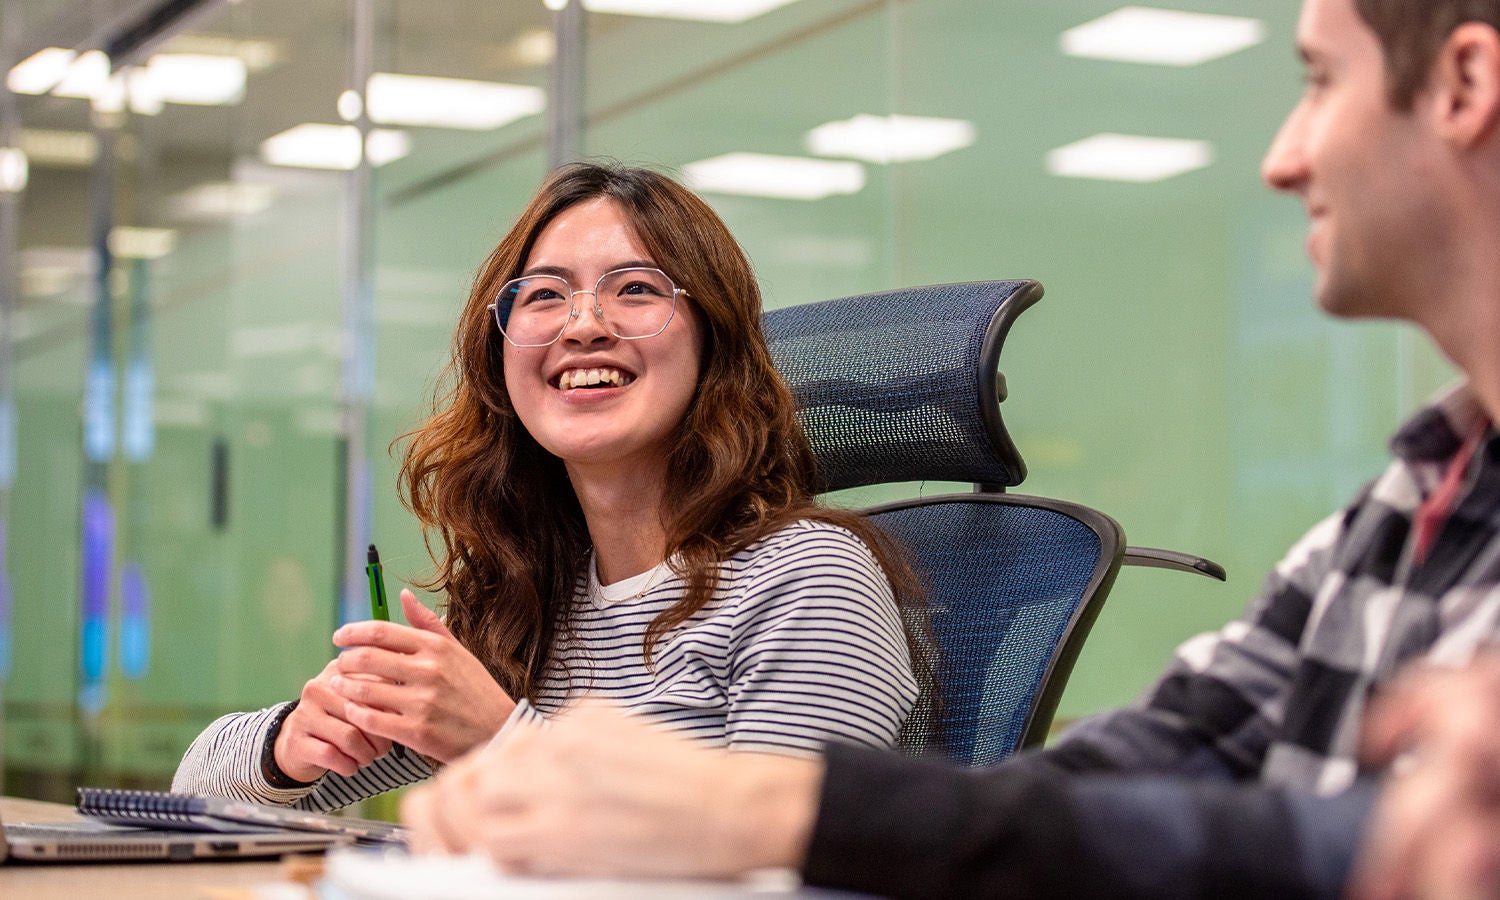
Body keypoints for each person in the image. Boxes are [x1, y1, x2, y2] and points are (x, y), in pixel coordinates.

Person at [400, 0, 1500, 895]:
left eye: (1316, 81)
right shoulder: (1409, 504)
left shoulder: (804, 577)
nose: (1282, 156)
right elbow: (1137, 777)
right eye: (541, 297)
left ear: (1461, 86)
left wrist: (758, 804)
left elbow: (1358, 850)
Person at [170, 163, 921, 811]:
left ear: (713, 338)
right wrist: (291, 745)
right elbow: (192, 790)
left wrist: (498, 740)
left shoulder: (810, 578)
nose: (584, 325)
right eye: (544, 296)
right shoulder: (522, 606)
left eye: (634, 289)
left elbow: (775, 865)